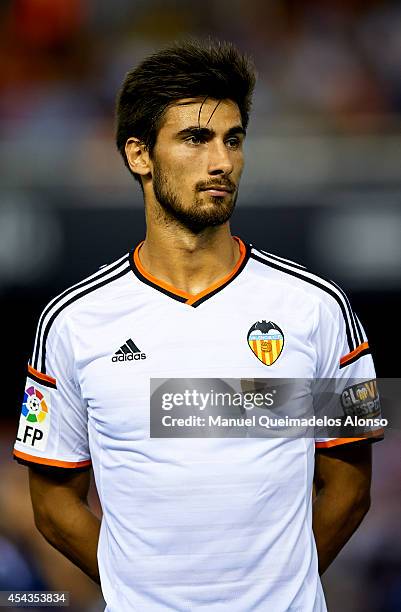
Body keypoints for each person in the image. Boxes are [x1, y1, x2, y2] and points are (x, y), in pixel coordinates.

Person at [13, 40, 383, 611]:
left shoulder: (319, 308)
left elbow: (350, 486)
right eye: (195, 139)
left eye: (233, 140)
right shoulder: (72, 323)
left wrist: (278, 588)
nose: (222, 162)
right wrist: (141, 593)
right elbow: (53, 504)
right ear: (139, 155)